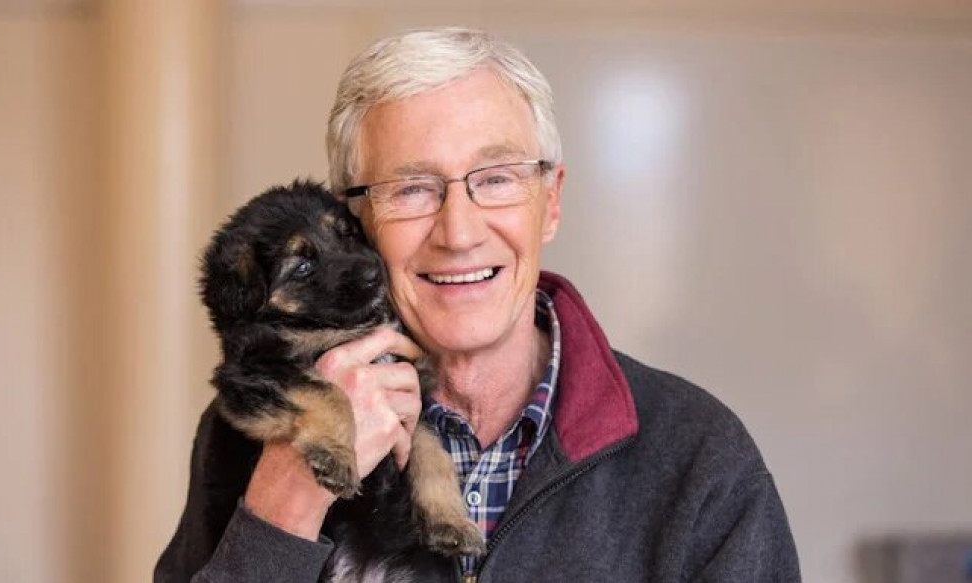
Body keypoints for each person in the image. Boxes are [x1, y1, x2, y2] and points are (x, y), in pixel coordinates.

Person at [155, 27, 801, 583]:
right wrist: (285, 503)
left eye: (495, 179)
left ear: (550, 201)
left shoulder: (702, 458)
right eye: (411, 187)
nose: (458, 231)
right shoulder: (245, 435)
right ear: (353, 219)